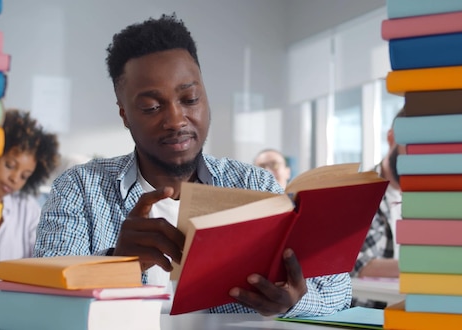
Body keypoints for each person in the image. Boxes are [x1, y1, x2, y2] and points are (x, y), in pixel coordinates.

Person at [35, 14, 351, 317]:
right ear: (124, 115)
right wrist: (115, 264)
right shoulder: (79, 188)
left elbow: (339, 290)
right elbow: (42, 299)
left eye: (189, 99)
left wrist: (293, 300)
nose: (175, 120)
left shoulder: (256, 186)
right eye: (151, 107)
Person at [350, 107, 406, 308]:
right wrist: (428, 265)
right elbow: (360, 264)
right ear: (391, 138)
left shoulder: (433, 197)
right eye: (410, 147)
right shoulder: (360, 192)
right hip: (370, 310)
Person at [0, 109, 59, 261]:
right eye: (9, 165)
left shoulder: (28, 210)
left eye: (25, 176)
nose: (15, 179)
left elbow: (41, 261)